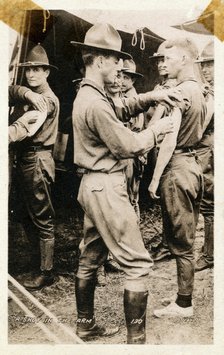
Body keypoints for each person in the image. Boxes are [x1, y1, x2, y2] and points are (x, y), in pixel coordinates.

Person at [71, 23, 180, 343]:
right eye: (116, 60)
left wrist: (153, 96)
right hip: (108, 187)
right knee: (137, 264)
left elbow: (122, 107)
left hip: (92, 187)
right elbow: (127, 147)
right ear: (101, 60)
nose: (121, 67)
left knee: (90, 258)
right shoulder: (95, 102)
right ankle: (137, 342)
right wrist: (158, 131)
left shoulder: (89, 94)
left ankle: (86, 325)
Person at [148, 37, 206, 318]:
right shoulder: (199, 91)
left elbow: (170, 141)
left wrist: (153, 179)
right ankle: (184, 300)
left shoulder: (182, 91)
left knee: (181, 240)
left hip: (176, 166)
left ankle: (184, 304)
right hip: (192, 164)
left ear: (184, 59)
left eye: (167, 59)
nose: (163, 63)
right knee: (186, 233)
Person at [9, 44, 60, 291]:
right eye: (28, 70)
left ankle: (46, 271)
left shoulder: (47, 100)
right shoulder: (32, 94)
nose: (31, 74)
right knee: (27, 214)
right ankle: (36, 262)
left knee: (42, 217)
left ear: (47, 73)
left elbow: (24, 128)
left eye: (37, 70)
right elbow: (8, 90)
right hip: (27, 160)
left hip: (38, 160)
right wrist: (25, 93)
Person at [147, 43, 177, 262]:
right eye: (158, 61)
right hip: (157, 143)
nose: (161, 65)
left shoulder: (173, 87)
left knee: (168, 196)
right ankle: (168, 240)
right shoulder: (160, 86)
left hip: (168, 145)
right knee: (164, 198)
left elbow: (157, 118)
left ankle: (170, 244)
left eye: (165, 60)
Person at [194, 41, 214, 271]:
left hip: (211, 149)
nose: (206, 69)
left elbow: (202, 125)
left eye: (210, 64)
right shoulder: (209, 90)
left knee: (209, 203)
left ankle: (210, 254)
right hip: (210, 148)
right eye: (204, 65)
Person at [121, 59, 145, 221]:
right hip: (125, 150)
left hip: (131, 153)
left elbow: (133, 130)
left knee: (130, 194)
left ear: (133, 80)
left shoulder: (133, 101)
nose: (121, 81)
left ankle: (132, 230)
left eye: (126, 78)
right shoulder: (122, 97)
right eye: (119, 76)